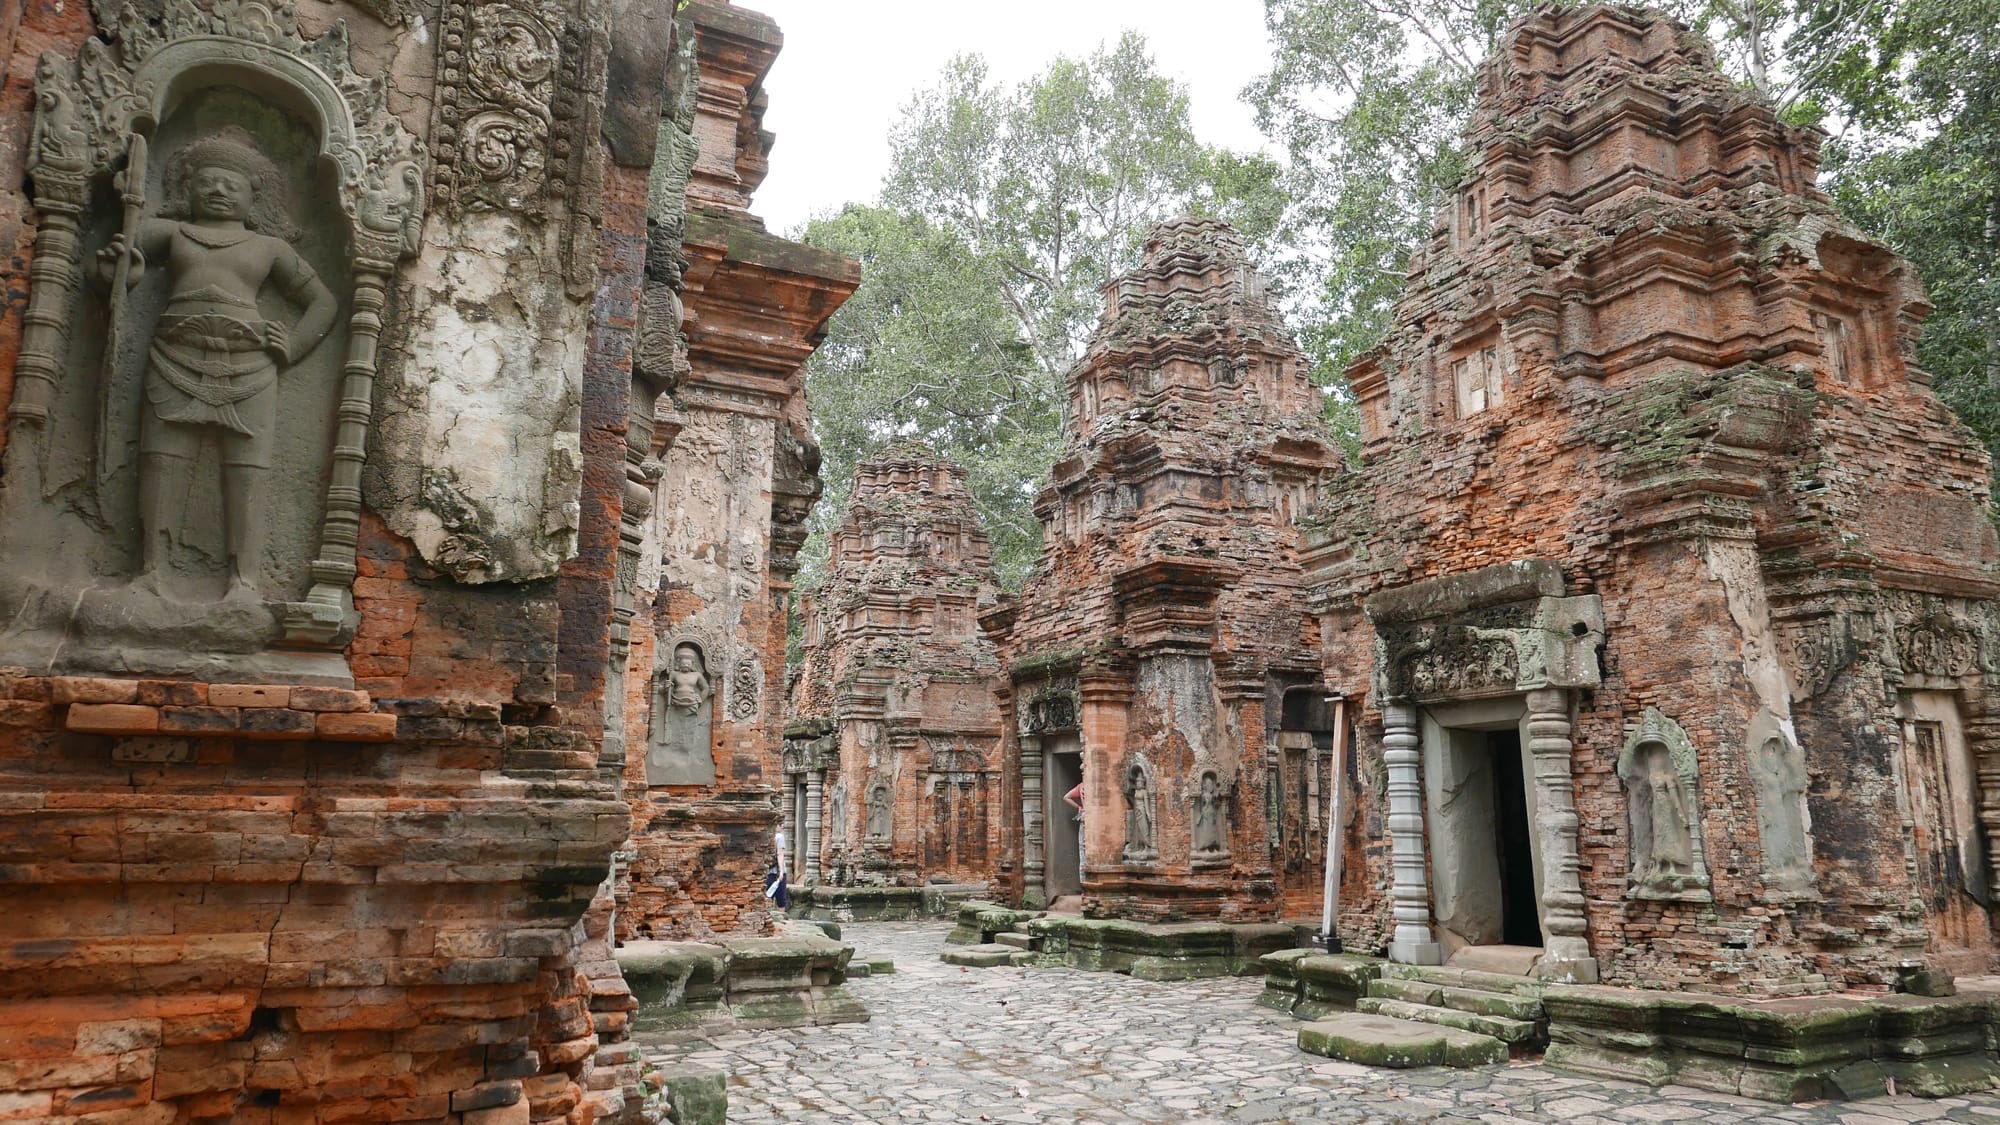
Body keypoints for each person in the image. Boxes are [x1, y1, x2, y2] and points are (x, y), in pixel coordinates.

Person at [101, 128, 337, 598]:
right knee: (159, 461)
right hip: (175, 355)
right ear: (186, 190)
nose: (218, 191)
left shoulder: (269, 248)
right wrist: (114, 273)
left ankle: (243, 580)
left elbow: (323, 303)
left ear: (255, 196)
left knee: (246, 470)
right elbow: (115, 271)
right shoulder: (168, 232)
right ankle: (150, 570)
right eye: (207, 182)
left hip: (250, 366)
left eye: (232, 185)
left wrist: (291, 344)